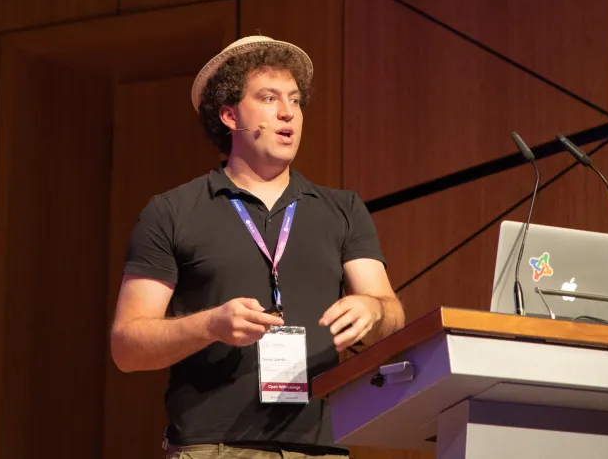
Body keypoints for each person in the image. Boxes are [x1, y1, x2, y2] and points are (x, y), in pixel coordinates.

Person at [110, 36, 405, 459]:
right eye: (268, 98)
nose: (288, 112)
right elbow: (127, 346)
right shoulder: (172, 212)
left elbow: (391, 313)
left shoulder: (343, 209)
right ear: (229, 115)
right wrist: (210, 325)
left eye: (296, 100)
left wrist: (374, 311)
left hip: (320, 448)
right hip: (214, 448)